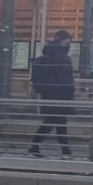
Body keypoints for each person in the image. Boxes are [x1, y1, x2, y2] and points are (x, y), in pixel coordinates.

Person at [28, 29, 75, 158]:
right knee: (54, 122)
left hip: (49, 94)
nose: (69, 42)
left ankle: (65, 151)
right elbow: (66, 79)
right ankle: (35, 146)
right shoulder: (63, 58)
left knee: (57, 122)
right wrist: (71, 94)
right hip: (61, 95)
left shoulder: (48, 55)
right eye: (68, 39)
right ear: (63, 40)